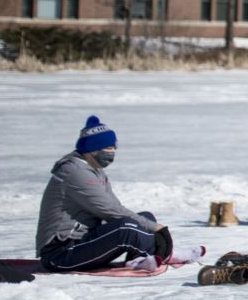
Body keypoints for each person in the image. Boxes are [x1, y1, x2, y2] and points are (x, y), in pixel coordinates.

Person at [36, 116, 173, 271]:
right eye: (108, 148)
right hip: (60, 253)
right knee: (127, 228)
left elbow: (115, 207)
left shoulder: (95, 171)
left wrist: (151, 226)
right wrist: (156, 229)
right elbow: (110, 210)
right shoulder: (75, 172)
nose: (112, 153)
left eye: (114, 148)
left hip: (82, 240)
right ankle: (154, 255)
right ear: (93, 149)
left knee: (146, 217)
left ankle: (143, 258)